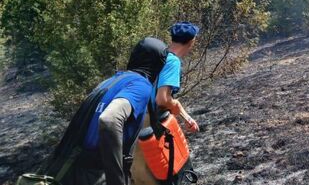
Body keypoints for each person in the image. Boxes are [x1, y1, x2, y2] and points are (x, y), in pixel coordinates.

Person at [46, 37, 169, 185]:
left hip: (69, 168)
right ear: (158, 65)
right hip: (95, 175)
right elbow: (109, 119)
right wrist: (116, 179)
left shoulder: (110, 81)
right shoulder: (141, 85)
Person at [132, 22, 201, 185]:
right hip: (149, 121)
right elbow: (162, 99)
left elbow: (167, 99)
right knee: (150, 173)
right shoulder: (173, 62)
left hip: (136, 115)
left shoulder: (158, 56)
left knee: (137, 169)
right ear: (192, 41)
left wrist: (186, 117)